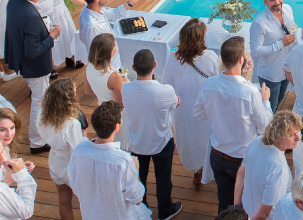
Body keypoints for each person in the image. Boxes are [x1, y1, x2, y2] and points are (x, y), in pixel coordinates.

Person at [193, 36, 272, 213]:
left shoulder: (209, 84)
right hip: (241, 161)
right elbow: (265, 128)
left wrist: (216, 113)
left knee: (224, 201)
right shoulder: (252, 92)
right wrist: (265, 101)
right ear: (241, 60)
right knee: (244, 206)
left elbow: (197, 113)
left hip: (217, 156)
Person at [4, 0, 62, 155]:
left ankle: (39, 138)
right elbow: (32, 51)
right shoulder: (32, 18)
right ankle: (36, 142)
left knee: (39, 100)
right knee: (39, 101)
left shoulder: (14, 0)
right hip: (36, 67)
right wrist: (51, 37)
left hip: (20, 59)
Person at [122, 49, 182, 220]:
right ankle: (165, 210)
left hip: (137, 142)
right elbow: (176, 103)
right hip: (161, 142)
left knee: (140, 178)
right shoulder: (166, 91)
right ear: (155, 66)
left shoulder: (126, 89)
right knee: (163, 178)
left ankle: (142, 208)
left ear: (133, 67)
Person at [67, 101, 152, 220]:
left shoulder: (79, 151)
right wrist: (136, 169)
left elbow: (74, 183)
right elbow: (137, 199)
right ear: (116, 127)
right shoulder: (124, 161)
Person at [162, 18, 220, 186]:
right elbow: (217, 83)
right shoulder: (209, 58)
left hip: (181, 109)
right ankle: (209, 170)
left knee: (188, 139)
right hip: (204, 109)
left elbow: (166, 86)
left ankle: (196, 171)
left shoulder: (173, 60)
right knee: (206, 138)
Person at [235, 110, 302, 220]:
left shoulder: (256, 141)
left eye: (298, 132)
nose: (298, 138)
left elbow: (242, 172)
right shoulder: (278, 168)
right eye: (291, 135)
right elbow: (263, 214)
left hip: (246, 211)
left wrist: (236, 207)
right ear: (277, 137)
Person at [38, 78, 85, 220]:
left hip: (55, 162)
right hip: (72, 167)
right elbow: (78, 150)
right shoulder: (71, 123)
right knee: (86, 202)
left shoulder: (42, 114)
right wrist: (85, 135)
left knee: (64, 201)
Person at [250, 0, 298, 113]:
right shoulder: (259, 23)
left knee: (280, 99)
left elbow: (293, 30)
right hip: (270, 74)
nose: (277, 3)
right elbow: (255, 52)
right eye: (272, 0)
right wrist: (281, 43)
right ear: (265, 1)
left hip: (286, 69)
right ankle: (268, 132)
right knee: (270, 108)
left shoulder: (288, 9)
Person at [79, 0, 142, 70]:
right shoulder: (92, 27)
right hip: (108, 69)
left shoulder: (90, 8)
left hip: (114, 63)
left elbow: (112, 14)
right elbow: (95, 53)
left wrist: (130, 3)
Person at [84, 33, 130, 152]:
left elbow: (88, 91)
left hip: (101, 109)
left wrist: (102, 90)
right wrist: (125, 84)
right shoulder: (114, 76)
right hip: (115, 116)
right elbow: (121, 105)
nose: (116, 47)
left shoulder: (89, 67)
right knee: (120, 145)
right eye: (115, 46)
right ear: (110, 52)